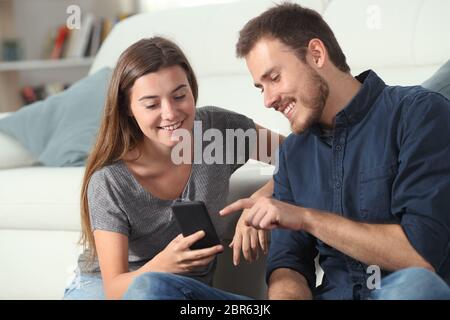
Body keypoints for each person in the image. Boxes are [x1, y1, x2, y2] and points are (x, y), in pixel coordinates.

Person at [220, 3, 450, 300]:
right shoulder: (293, 153)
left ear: (316, 54)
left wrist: (306, 217)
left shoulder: (419, 114)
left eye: (274, 78)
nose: (268, 100)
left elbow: (421, 256)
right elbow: (288, 266)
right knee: (156, 287)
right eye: (260, 87)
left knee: (416, 286)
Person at [63, 36, 280, 300]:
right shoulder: (110, 181)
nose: (170, 113)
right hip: (109, 289)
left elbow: (300, 154)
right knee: (149, 290)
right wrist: (163, 264)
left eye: (179, 96)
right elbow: (115, 288)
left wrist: (262, 198)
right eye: (152, 104)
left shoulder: (216, 132)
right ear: (128, 108)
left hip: (183, 292)